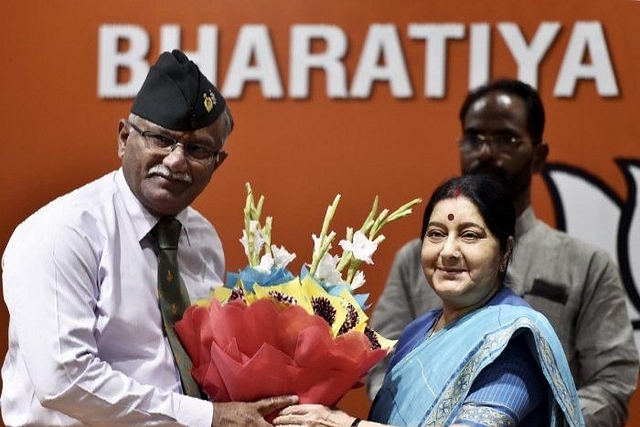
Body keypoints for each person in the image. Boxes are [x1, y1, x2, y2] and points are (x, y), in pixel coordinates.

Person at [1, 49, 297, 426]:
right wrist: (205, 418)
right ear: (124, 138)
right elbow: (63, 380)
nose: (175, 161)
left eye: (197, 149)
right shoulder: (61, 233)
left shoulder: (202, 239)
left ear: (217, 162)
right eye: (159, 139)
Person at [366, 79, 639, 426]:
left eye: (506, 139)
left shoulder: (587, 266)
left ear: (539, 155)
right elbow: (382, 362)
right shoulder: (416, 259)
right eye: (474, 138)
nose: (485, 152)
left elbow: (612, 383)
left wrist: (543, 415)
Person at [272, 175, 585, 426]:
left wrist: (345, 426)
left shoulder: (514, 340)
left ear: (505, 252)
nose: (448, 251)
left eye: (470, 235)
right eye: (436, 234)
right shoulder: (417, 332)